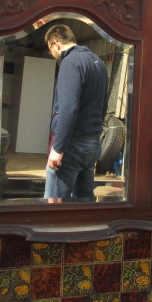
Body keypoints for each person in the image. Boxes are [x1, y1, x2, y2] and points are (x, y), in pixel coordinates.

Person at [44, 24, 108, 202]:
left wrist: (58, 148)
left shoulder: (70, 63)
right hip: (92, 142)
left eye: (50, 50)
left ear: (55, 43)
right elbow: (103, 104)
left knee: (55, 203)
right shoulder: (98, 62)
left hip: (72, 144)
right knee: (83, 201)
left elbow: (68, 108)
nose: (52, 54)